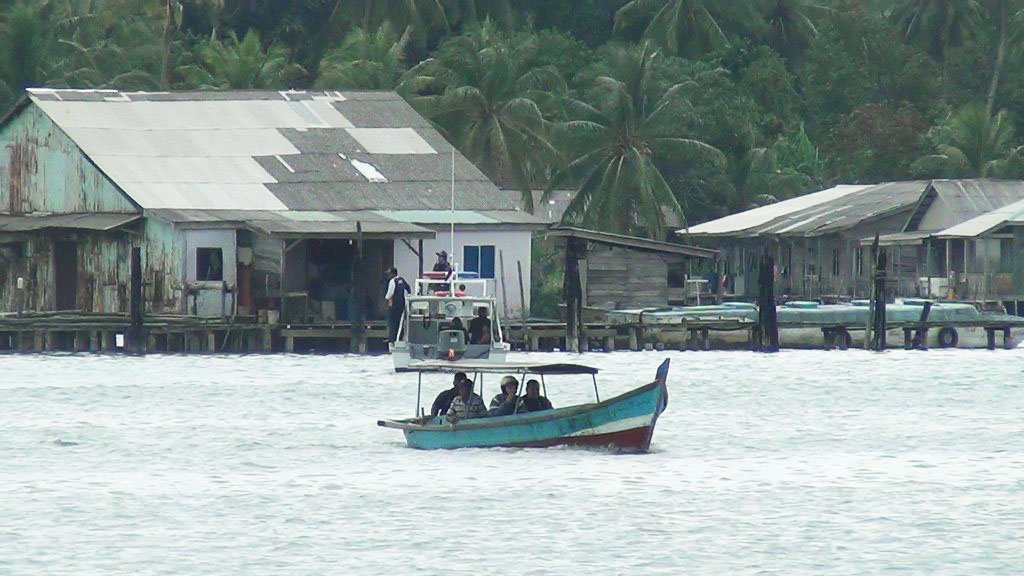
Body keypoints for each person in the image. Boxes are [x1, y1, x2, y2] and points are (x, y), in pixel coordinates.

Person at [384, 267, 410, 343]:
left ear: (393, 274)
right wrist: (408, 296)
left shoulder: (393, 281)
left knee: (392, 323)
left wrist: (385, 302)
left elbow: (389, 294)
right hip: (401, 304)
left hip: (394, 305)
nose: (388, 276)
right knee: (400, 322)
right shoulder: (401, 279)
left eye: (389, 274)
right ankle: (400, 338)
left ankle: (392, 339)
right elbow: (408, 287)